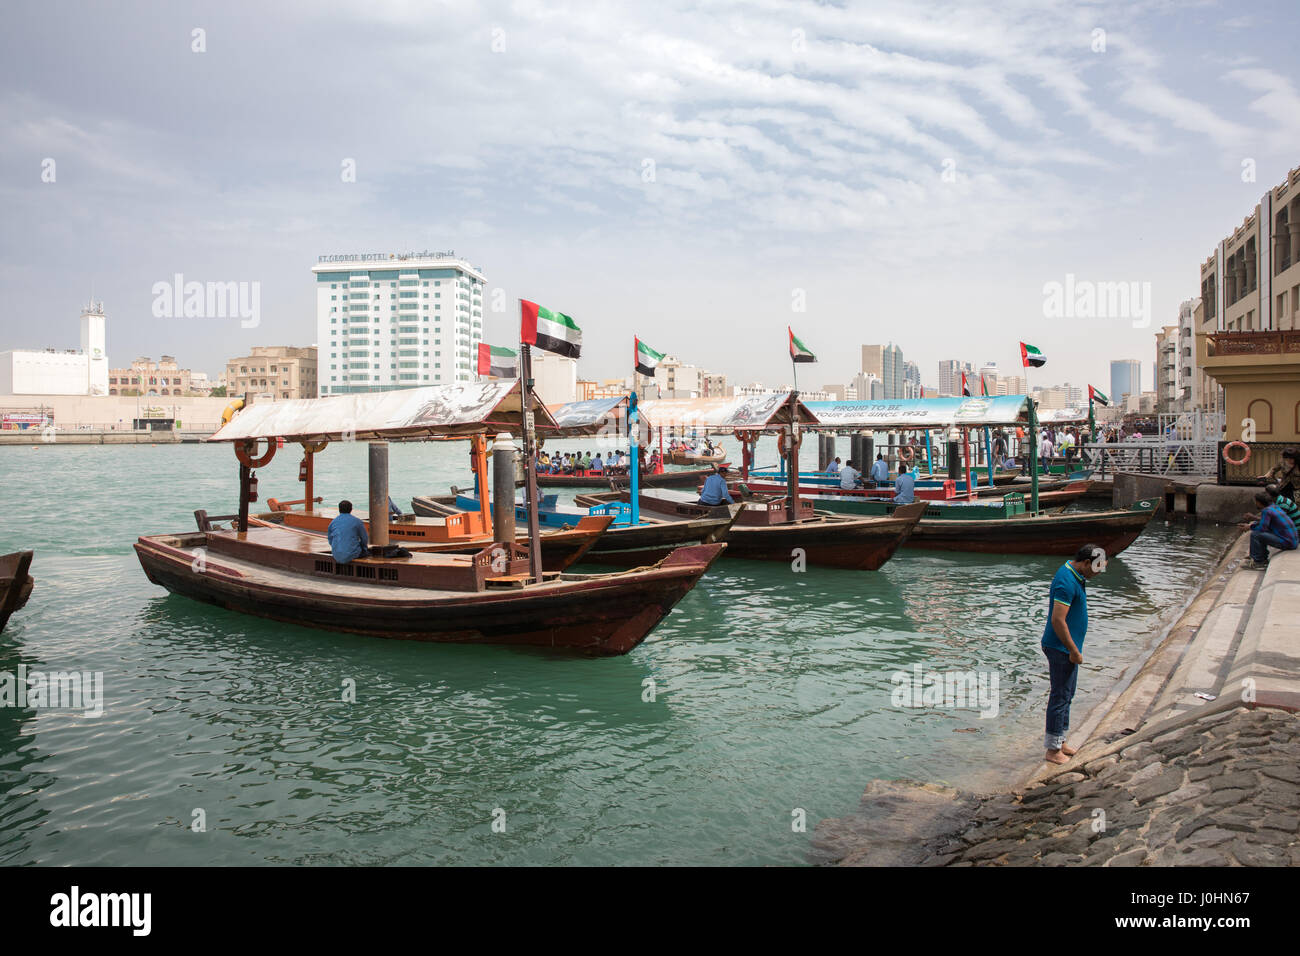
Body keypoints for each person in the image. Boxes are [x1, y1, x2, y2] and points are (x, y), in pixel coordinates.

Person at [1041, 544, 1105, 764]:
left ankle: (1060, 739)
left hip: (1067, 649)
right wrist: (1073, 650)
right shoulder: (1066, 582)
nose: (1097, 575)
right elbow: (1058, 620)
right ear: (1086, 563)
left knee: (1068, 695)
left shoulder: (1075, 575)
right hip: (1060, 648)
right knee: (1059, 697)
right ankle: (1052, 750)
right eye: (1096, 570)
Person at [1243, 490, 1299, 570]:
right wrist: (1252, 525)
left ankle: (1258, 562)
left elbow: (1262, 529)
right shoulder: (1274, 507)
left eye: (1256, 501)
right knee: (1258, 533)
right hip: (1293, 541)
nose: (1255, 503)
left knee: (1255, 534)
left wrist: (1249, 527)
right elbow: (1264, 524)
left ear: (1259, 502)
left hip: (1288, 542)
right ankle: (1261, 558)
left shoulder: (1266, 511)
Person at [327, 500, 369, 565]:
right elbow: (364, 538)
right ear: (351, 509)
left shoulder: (333, 522)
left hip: (336, 555)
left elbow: (330, 540)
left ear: (339, 509)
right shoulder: (357, 521)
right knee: (367, 553)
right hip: (351, 554)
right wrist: (364, 549)